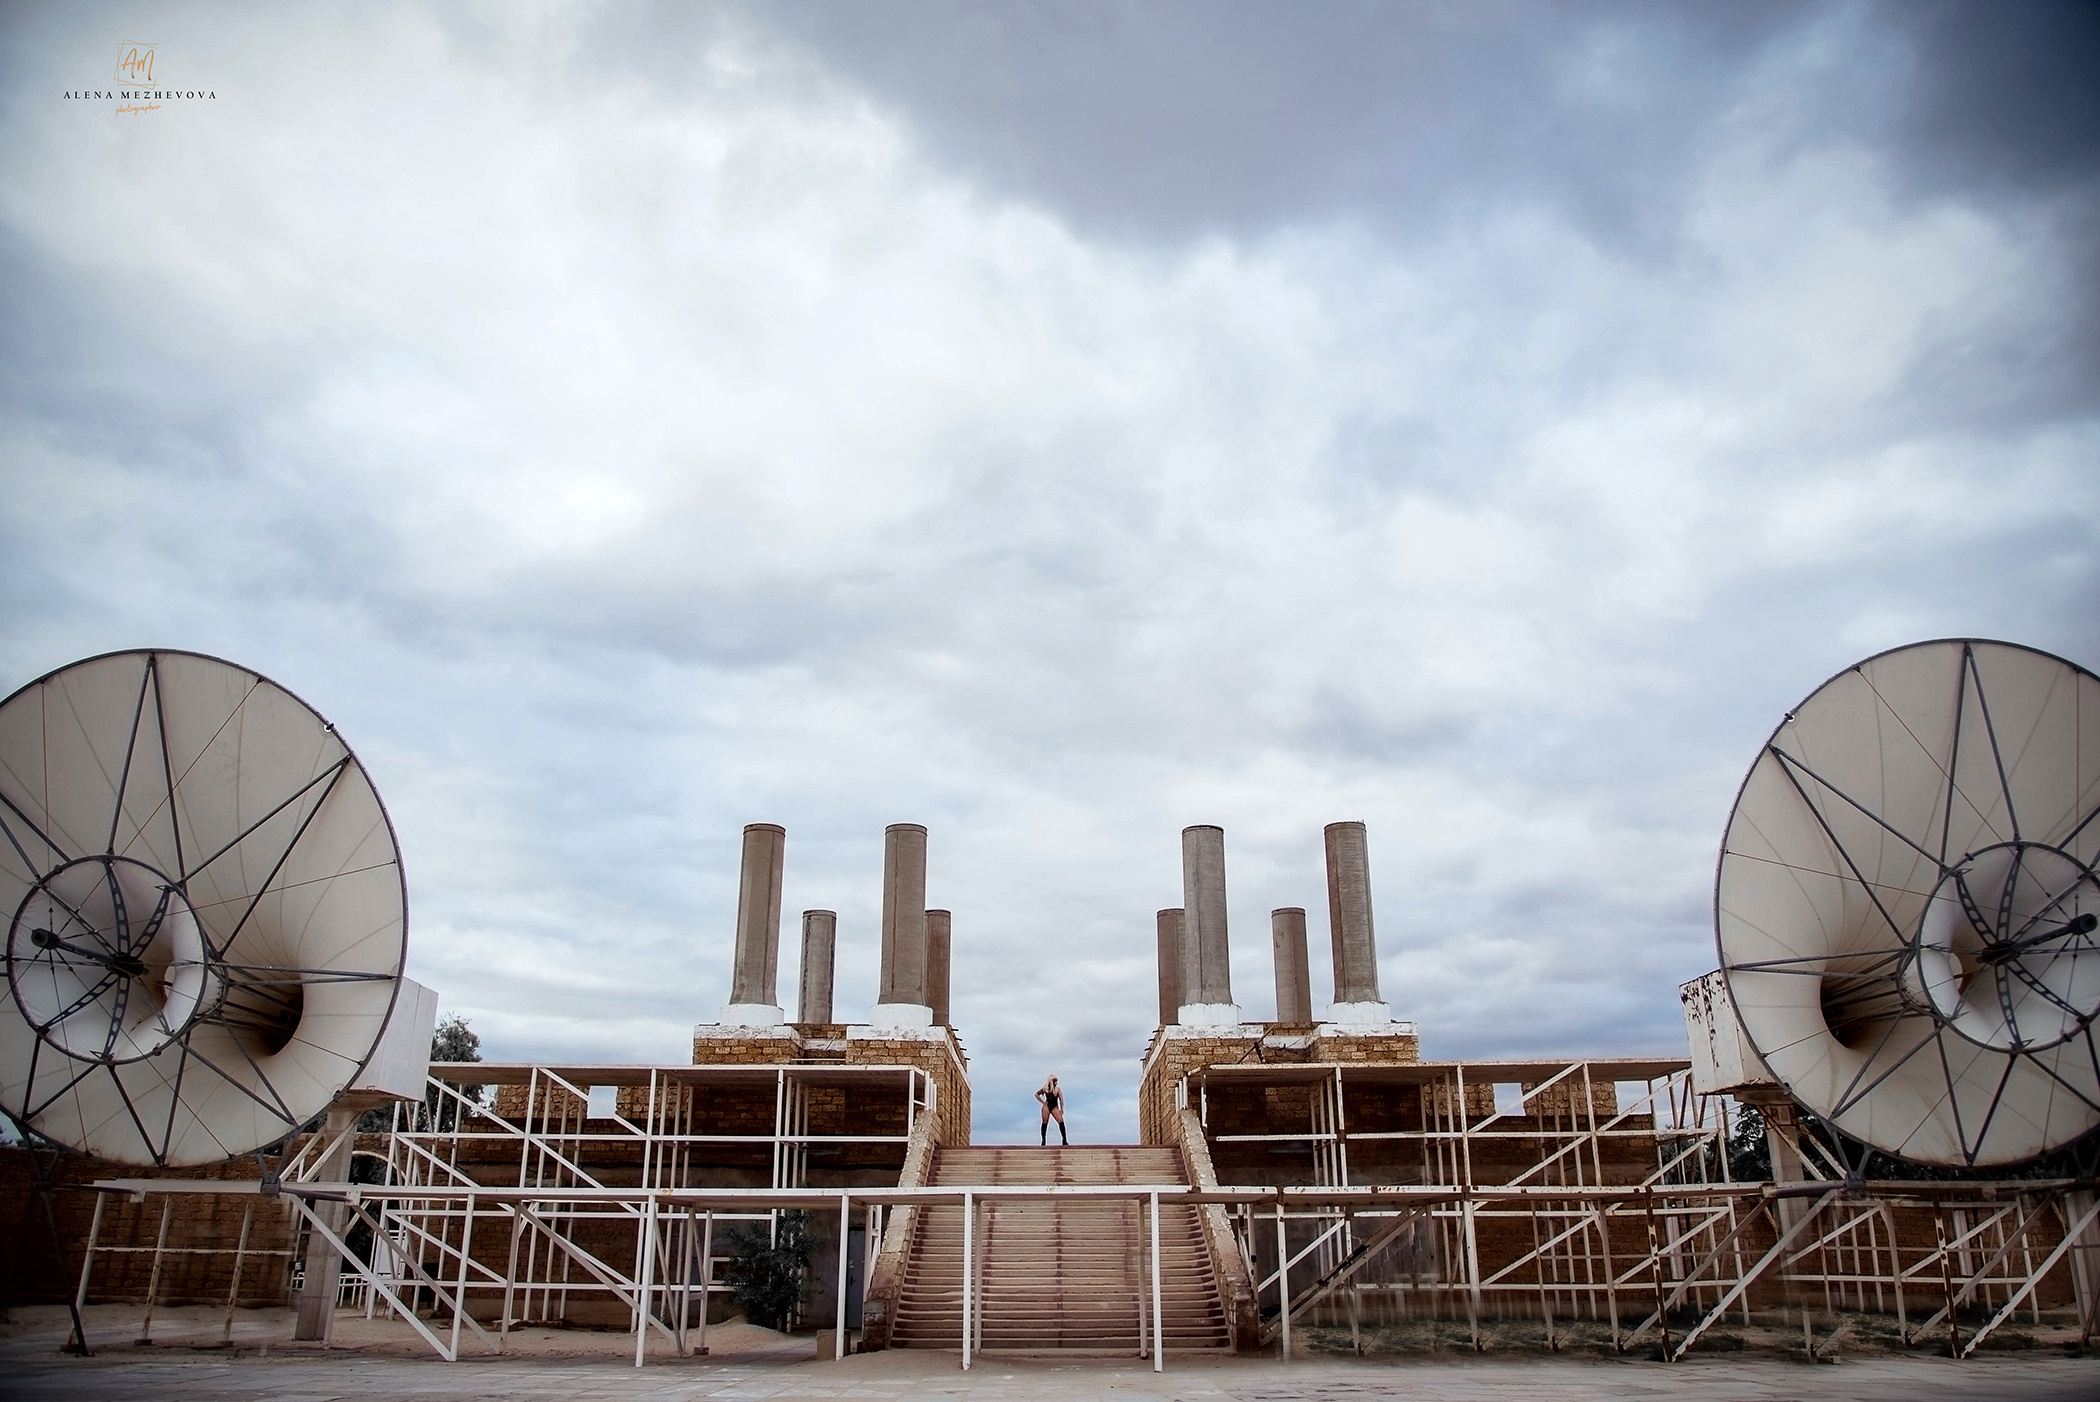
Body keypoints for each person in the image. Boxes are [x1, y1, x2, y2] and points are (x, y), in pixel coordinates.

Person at [1036, 1074, 1068, 1146]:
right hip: (1046, 1107)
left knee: (1061, 1122)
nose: (1056, 1082)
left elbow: (1061, 1099)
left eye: (1056, 1081)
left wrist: (1061, 1108)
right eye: (1054, 1080)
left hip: (1054, 1107)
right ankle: (1043, 1140)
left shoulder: (1057, 1089)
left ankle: (1064, 1139)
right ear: (1051, 1081)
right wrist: (1042, 1102)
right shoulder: (1045, 1088)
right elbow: (1037, 1094)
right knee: (1044, 1123)